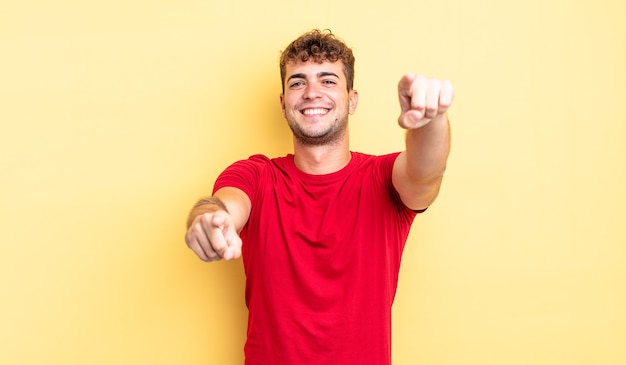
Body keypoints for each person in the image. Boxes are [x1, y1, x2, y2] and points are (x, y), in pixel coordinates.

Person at [184, 29, 453, 365]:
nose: (311, 92)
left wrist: (430, 120)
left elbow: (426, 172)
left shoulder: (383, 178)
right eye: (297, 82)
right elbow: (223, 205)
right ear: (283, 104)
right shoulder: (257, 175)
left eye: (327, 81)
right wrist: (209, 221)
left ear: (351, 99)